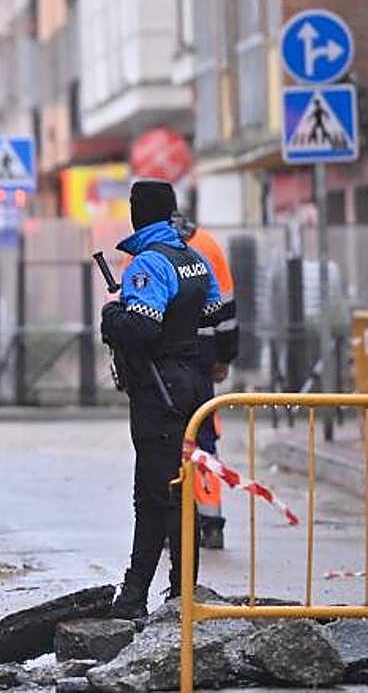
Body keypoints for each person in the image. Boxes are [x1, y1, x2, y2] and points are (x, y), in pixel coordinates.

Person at [101, 180, 223, 619]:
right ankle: (179, 591)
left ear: (139, 212)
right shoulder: (192, 257)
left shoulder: (148, 264)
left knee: (153, 496)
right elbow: (212, 311)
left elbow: (144, 328)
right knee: (179, 491)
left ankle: (137, 598)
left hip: (158, 392)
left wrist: (112, 315)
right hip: (189, 386)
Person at [173, 214, 239, 550]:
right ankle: (212, 523)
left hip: (165, 357)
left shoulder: (144, 249)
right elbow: (225, 308)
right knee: (204, 439)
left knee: (167, 439)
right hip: (202, 355)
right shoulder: (207, 245)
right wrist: (225, 357)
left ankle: (176, 525)